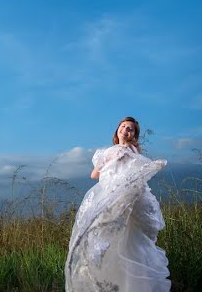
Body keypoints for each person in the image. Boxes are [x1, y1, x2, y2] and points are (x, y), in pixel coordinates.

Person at [64, 117, 171, 291]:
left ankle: (130, 283)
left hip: (125, 195)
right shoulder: (106, 151)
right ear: (117, 130)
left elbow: (137, 169)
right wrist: (106, 162)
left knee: (129, 238)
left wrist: (128, 162)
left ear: (133, 136)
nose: (125, 130)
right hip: (108, 192)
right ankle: (107, 280)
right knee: (104, 234)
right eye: (123, 126)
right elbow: (94, 175)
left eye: (130, 129)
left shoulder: (131, 149)